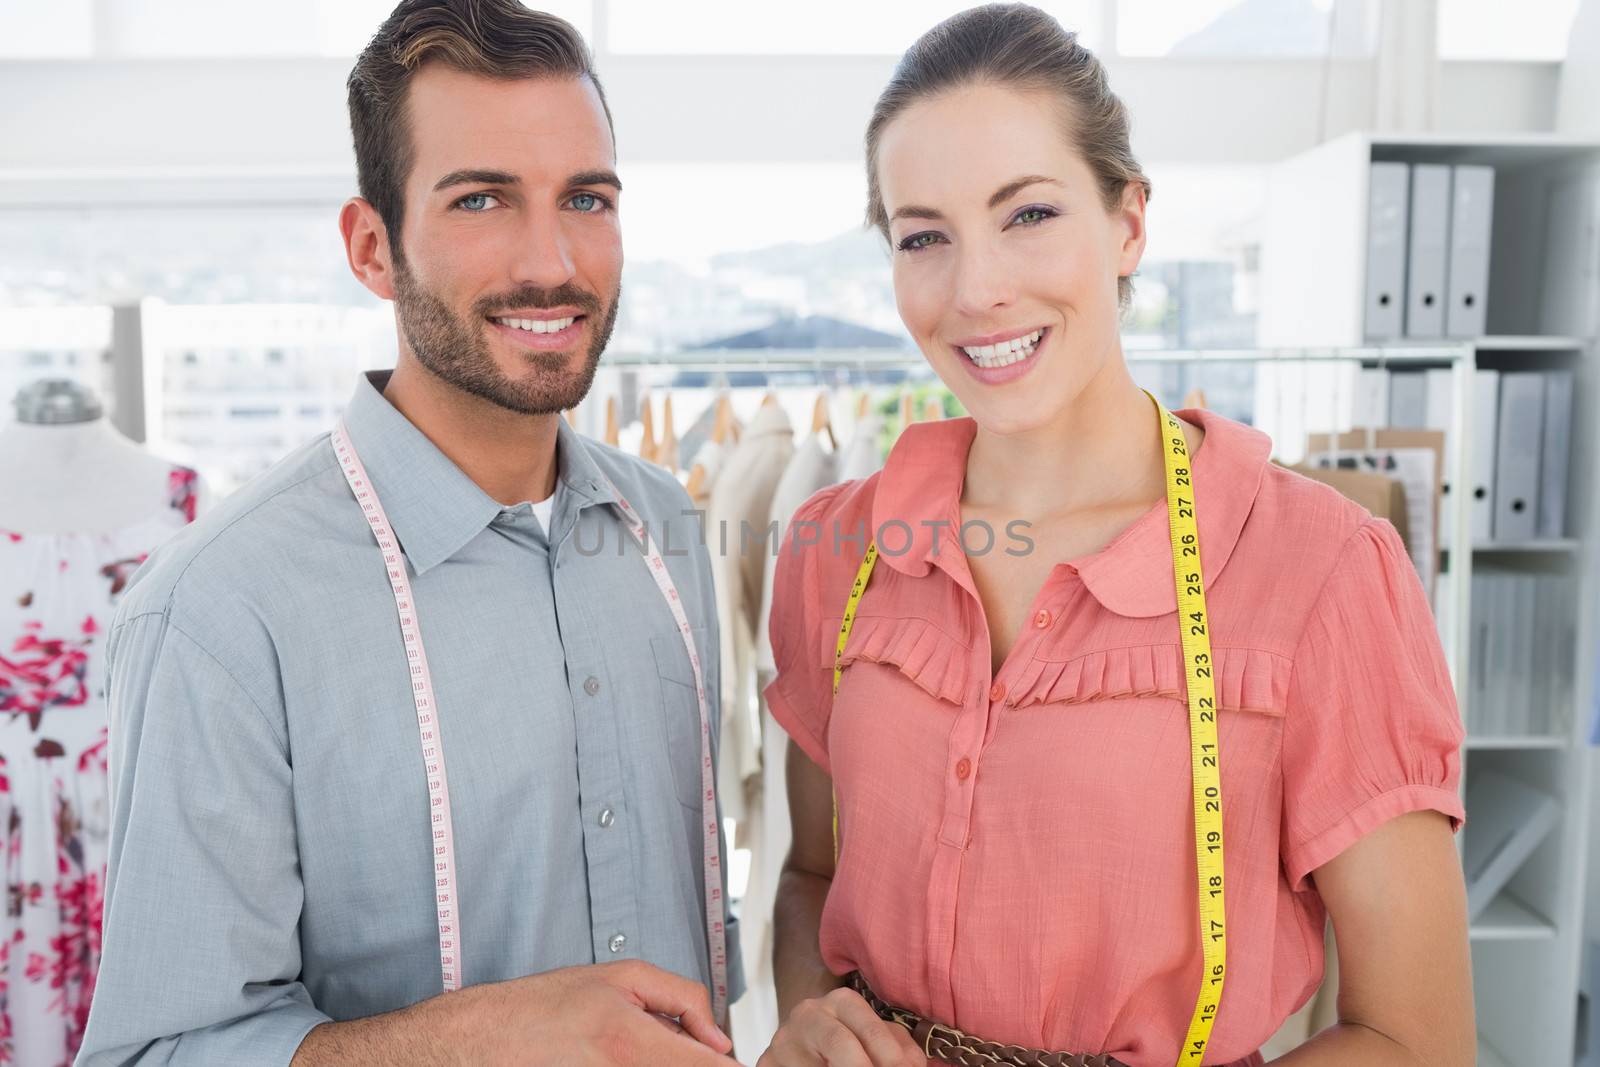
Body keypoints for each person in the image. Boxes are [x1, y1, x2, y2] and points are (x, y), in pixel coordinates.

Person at [759, 5, 1473, 1066]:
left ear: (1128, 222)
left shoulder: (1317, 572)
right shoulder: (837, 551)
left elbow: (1416, 1037)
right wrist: (813, 1010)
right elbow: (812, 876)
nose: (977, 288)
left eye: (1029, 213)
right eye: (923, 236)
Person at [77, 3, 743, 1064]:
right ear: (372, 247)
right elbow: (151, 1053)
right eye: (481, 198)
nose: (552, 258)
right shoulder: (220, 609)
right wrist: (485, 1032)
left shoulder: (662, 525)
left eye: (587, 197)